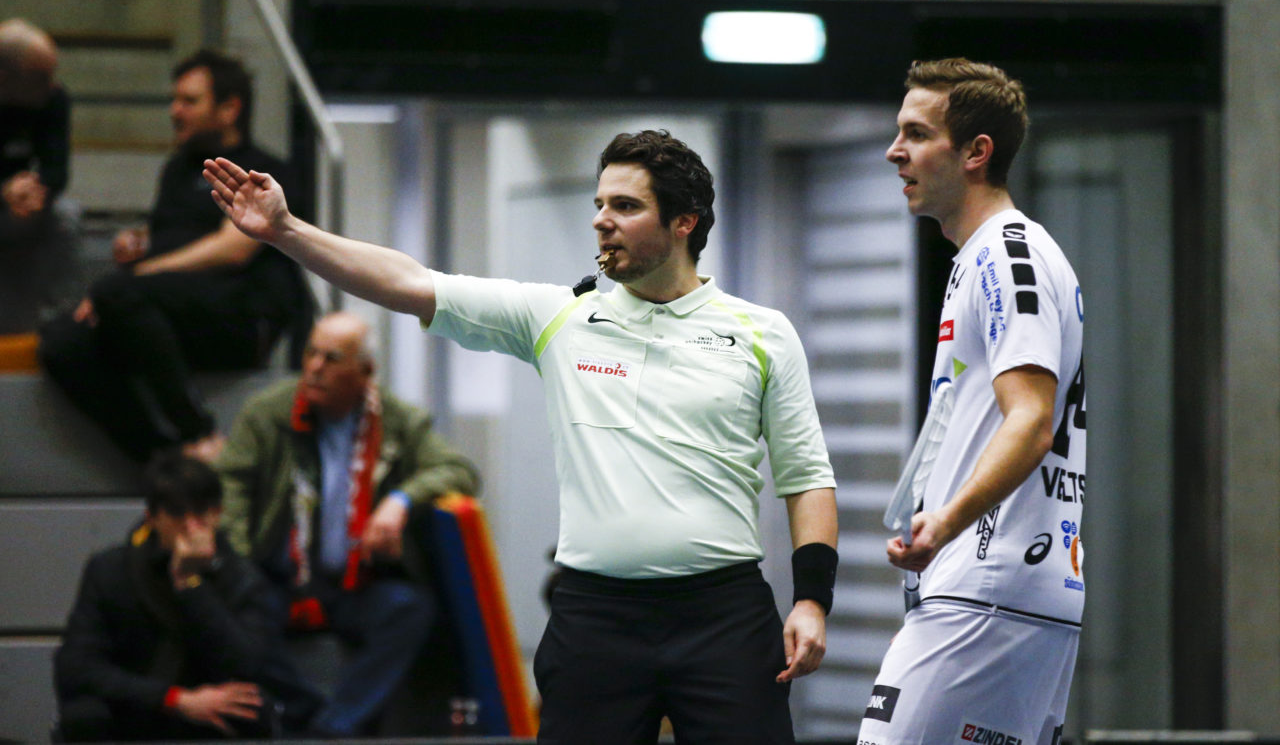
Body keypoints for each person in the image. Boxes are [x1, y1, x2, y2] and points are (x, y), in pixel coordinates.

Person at [203, 129, 839, 745]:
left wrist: (811, 600)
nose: (601, 221)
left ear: (684, 223)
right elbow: (404, 281)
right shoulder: (560, 316)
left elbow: (806, 476)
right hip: (596, 618)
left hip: (723, 616)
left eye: (625, 206)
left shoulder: (762, 332)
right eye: (598, 204)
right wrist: (286, 231)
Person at [858, 58, 1087, 745]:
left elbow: (1031, 420)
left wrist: (947, 522)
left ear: (976, 152)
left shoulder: (1007, 256)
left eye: (916, 133)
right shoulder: (985, 256)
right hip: (1010, 594)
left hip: (986, 592)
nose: (895, 150)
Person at [215, 310, 480, 737]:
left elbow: (459, 470)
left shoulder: (397, 420)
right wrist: (240, 563)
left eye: (332, 358)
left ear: (366, 371)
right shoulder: (268, 414)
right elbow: (232, 488)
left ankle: (332, 729)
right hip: (278, 579)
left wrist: (398, 501)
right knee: (237, 609)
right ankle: (308, 712)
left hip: (357, 584)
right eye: (311, 353)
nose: (315, 368)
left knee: (411, 608)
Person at [39, 48, 306, 462]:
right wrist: (141, 244)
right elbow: (175, 235)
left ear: (230, 108)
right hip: (171, 313)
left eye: (188, 101)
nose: (174, 111)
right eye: (173, 100)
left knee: (116, 293)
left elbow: (233, 250)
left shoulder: (264, 172)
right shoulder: (178, 169)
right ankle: (160, 454)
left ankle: (199, 433)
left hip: (242, 316)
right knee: (60, 342)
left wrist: (135, 277)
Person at [55, 453, 322, 740]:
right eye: (178, 513)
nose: (191, 527)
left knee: (252, 712)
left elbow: (248, 664)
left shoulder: (242, 578)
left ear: (217, 514)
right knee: (83, 715)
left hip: (211, 710)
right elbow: (75, 667)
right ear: (152, 518)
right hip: (138, 705)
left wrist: (190, 584)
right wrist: (176, 700)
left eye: (201, 512)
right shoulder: (111, 570)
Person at [0, 18, 77, 333]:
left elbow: (57, 169)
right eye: (40, 78)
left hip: (24, 202)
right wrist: (3, 190)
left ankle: (59, 322)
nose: (52, 85)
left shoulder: (53, 99)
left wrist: (35, 192)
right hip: (6, 197)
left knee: (67, 217)